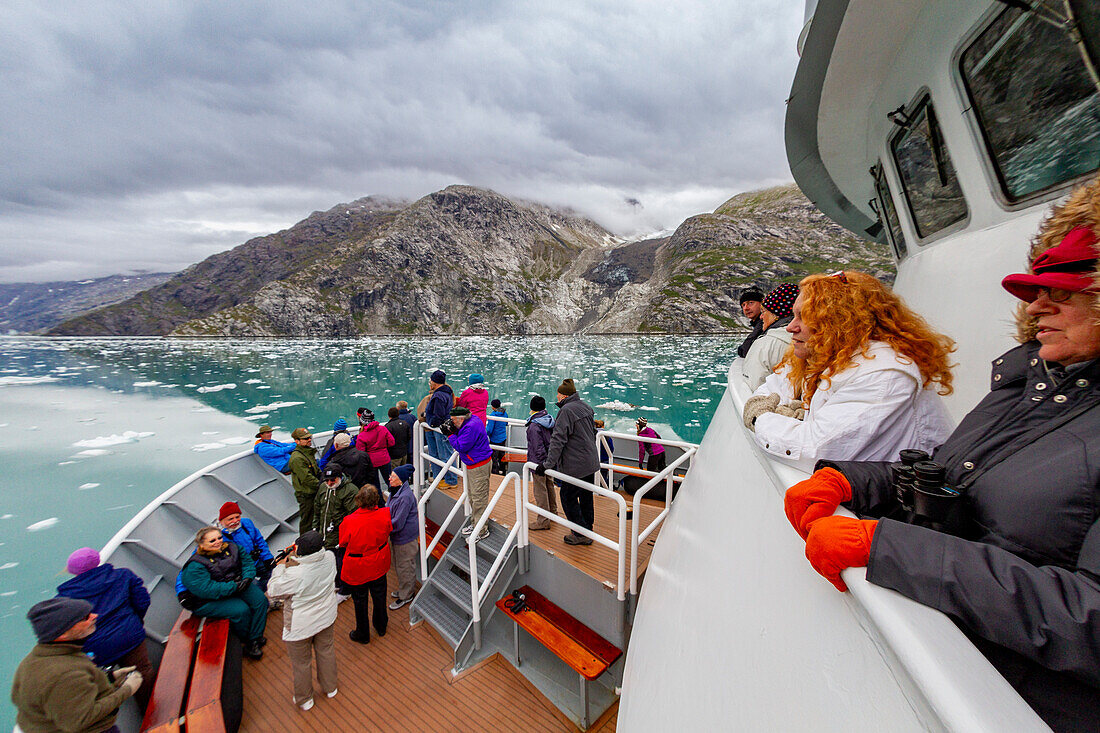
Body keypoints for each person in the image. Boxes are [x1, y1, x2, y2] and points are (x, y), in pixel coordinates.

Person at [784, 193, 1100, 733]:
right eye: (1037, 289)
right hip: (945, 648)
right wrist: (851, 482)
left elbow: (1088, 624)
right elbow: (952, 473)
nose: (1035, 307)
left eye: (1065, 291)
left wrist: (888, 546)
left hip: (1005, 704)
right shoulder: (1030, 386)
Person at [742, 271, 955, 472]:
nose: (790, 327)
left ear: (841, 320)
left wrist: (762, 418)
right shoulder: (828, 356)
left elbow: (813, 451)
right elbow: (771, 388)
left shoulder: (883, 375)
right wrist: (788, 416)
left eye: (803, 317)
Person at [12, 597, 144, 733]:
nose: (94, 616)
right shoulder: (65, 674)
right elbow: (81, 720)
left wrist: (109, 677)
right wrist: (126, 690)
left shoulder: (36, 659)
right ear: (62, 634)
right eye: (84, 617)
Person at [55, 548, 154, 710]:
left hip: (94, 649)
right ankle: (151, 713)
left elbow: (66, 630)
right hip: (128, 636)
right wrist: (133, 622)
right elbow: (142, 600)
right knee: (142, 672)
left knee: (102, 683)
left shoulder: (63, 599)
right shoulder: (123, 575)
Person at [265, 530, 339, 712]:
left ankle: (305, 699)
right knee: (326, 651)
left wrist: (280, 566)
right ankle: (331, 688)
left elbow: (274, 590)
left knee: (301, 663)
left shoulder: (296, 574)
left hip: (301, 625)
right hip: (326, 616)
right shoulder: (330, 558)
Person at [175, 526, 269, 659]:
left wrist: (247, 578)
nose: (218, 542)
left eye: (219, 538)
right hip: (204, 600)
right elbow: (206, 589)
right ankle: (247, 640)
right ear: (201, 544)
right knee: (240, 610)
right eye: (212, 541)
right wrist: (235, 586)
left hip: (234, 585)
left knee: (260, 601)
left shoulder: (232, 548)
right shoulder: (195, 566)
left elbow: (247, 563)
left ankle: (254, 638)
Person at [538, 378, 600, 546]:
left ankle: (580, 534)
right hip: (590, 461)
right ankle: (587, 527)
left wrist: (547, 464)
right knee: (586, 495)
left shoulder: (566, 411)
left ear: (563, 395)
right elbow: (593, 432)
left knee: (567, 497)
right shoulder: (585, 406)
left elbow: (558, 440)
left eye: (558, 394)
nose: (556, 397)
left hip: (576, 465)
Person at [339, 485, 391, 644]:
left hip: (359, 567)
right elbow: (388, 529)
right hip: (379, 561)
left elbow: (342, 542)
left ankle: (363, 633)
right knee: (380, 595)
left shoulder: (349, 521)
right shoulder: (384, 514)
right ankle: (381, 626)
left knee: (360, 600)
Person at [445, 406, 493, 541]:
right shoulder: (471, 420)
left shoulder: (470, 427)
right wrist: (455, 429)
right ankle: (475, 523)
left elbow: (461, 446)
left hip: (479, 466)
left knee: (479, 498)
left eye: (453, 420)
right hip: (475, 464)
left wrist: (450, 434)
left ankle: (481, 530)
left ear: (461, 418)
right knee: (473, 496)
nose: (452, 422)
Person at [742, 282, 799, 389]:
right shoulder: (811, 338)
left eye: (763, 311)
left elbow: (753, 385)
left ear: (776, 314)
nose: (761, 317)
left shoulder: (765, 344)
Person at [313, 464, 358, 598]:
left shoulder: (350, 490)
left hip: (340, 537)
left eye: (332, 480)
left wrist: (341, 530)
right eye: (326, 480)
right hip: (325, 535)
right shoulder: (323, 488)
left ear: (339, 477)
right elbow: (317, 509)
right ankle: (337, 584)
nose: (329, 483)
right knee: (330, 562)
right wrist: (316, 527)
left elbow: (353, 515)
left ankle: (346, 591)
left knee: (342, 564)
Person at [218, 501, 274, 592]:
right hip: (241, 569)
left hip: (256, 560)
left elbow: (259, 540)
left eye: (237, 517)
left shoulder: (246, 523)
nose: (235, 521)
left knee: (273, 573)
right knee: (254, 589)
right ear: (222, 521)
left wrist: (268, 558)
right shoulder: (218, 537)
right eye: (230, 519)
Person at [386, 464, 419, 610]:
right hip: (397, 537)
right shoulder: (396, 491)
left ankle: (406, 595)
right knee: (399, 565)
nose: (389, 478)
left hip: (404, 539)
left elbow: (398, 522)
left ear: (401, 480)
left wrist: (382, 527)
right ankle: (404, 589)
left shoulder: (405, 497)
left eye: (393, 476)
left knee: (405, 566)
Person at [526, 396, 558, 530]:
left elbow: (537, 447)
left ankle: (543, 520)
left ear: (532, 408)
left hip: (539, 463)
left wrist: (540, 465)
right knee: (549, 485)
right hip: (549, 461)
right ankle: (553, 513)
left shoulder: (534, 426)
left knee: (540, 491)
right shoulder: (549, 420)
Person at [425, 370, 457, 486]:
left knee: (444, 455)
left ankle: (451, 480)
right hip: (441, 428)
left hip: (439, 429)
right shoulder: (447, 392)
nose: (430, 383)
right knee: (440, 454)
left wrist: (432, 423)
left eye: (431, 381)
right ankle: (441, 478)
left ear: (435, 382)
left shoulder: (438, 396)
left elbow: (439, 414)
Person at [288, 427, 320, 533]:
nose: (309, 440)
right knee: (307, 520)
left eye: (309, 437)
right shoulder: (297, 458)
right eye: (305, 439)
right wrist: (322, 485)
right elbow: (307, 478)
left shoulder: (307, 453)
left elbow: (316, 470)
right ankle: (304, 542)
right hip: (306, 494)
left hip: (313, 491)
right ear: (297, 441)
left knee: (315, 516)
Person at [355, 408, 395, 491]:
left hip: (371, 463)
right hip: (384, 458)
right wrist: (383, 447)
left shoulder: (362, 436)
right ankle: (396, 498)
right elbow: (391, 442)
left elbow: (361, 453)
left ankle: (380, 503)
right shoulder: (383, 429)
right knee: (391, 481)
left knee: (375, 486)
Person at [736, 287, 766, 357]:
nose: (746, 308)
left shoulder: (763, 323)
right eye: (743, 305)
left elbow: (745, 349)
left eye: (750, 303)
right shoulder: (758, 323)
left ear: (762, 304)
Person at [487, 398, 509, 475]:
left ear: (493, 407)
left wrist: (487, 434)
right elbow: (506, 423)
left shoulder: (492, 416)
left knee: (494, 457)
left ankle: (495, 473)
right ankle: (503, 472)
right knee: (502, 456)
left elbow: (489, 429)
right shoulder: (504, 413)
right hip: (503, 438)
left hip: (494, 439)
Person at [594, 418, 614, 489]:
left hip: (593, 459)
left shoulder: (592, 434)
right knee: (604, 476)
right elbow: (611, 448)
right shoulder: (607, 436)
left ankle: (595, 490)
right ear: (603, 426)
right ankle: (603, 490)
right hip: (605, 459)